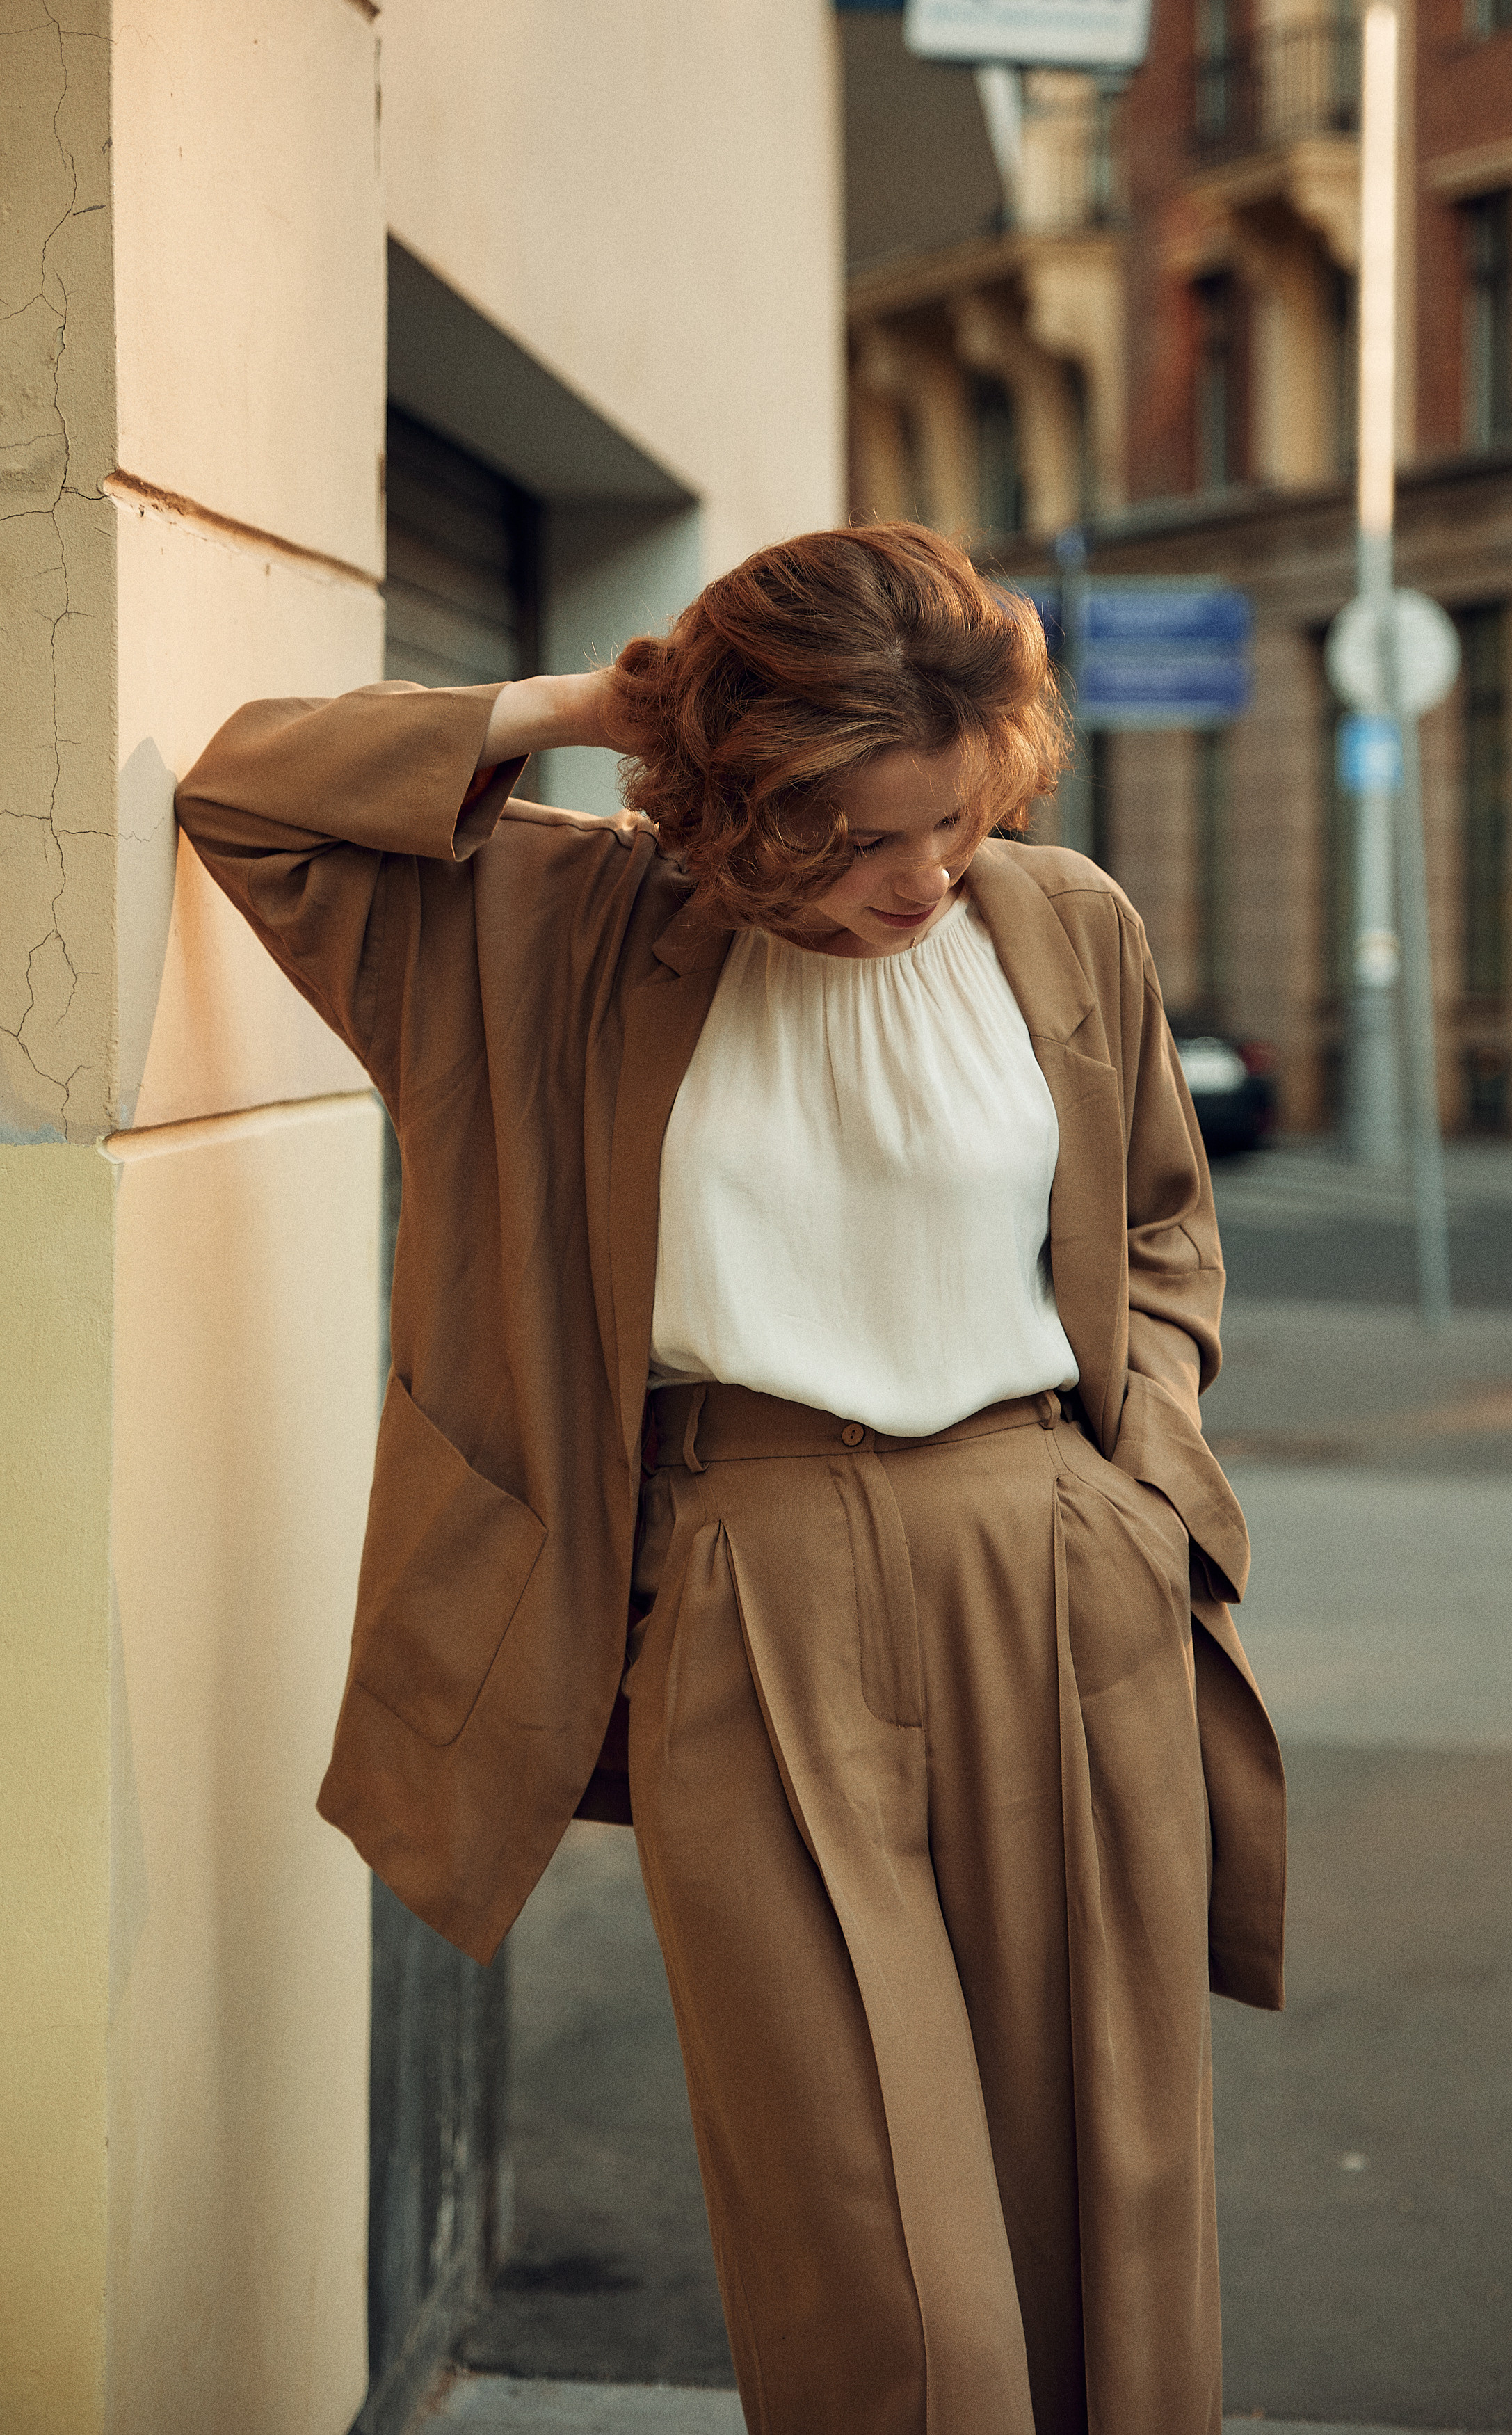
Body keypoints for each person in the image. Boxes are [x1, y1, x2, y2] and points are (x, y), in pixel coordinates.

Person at [175, 521, 1284, 2435]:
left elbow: (1165, 1226)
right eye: (858, 834)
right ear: (734, 801)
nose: (921, 876)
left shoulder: (1064, 920)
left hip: (1056, 1564)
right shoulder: (554, 934)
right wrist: (590, 705)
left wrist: (1144, 1481)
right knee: (882, 2273)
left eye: (954, 819)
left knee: (1108, 2191)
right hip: (747, 1591)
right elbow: (247, 796)